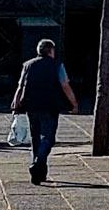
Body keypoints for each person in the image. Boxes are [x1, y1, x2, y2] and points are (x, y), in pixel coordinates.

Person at [12, 38, 77, 184]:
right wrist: (74, 104)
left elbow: (20, 86)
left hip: (31, 105)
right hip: (50, 105)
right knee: (48, 137)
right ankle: (38, 162)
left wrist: (16, 104)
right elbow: (65, 86)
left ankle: (38, 174)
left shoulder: (27, 65)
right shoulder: (57, 65)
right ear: (51, 51)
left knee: (35, 139)